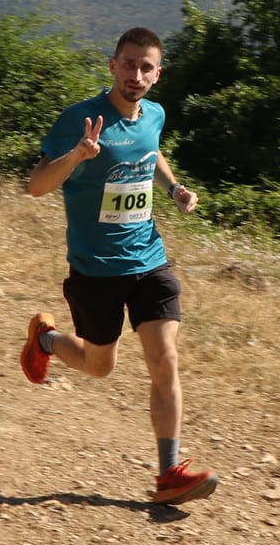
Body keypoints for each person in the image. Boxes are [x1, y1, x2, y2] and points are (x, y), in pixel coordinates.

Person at [20, 27, 216, 505]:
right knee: (98, 365)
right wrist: (78, 155)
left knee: (164, 357)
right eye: (128, 64)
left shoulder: (155, 114)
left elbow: (152, 152)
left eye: (146, 66)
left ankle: (169, 472)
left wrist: (173, 189)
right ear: (112, 65)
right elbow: (37, 186)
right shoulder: (80, 119)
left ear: (157, 74)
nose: (136, 74)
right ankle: (44, 339)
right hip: (95, 269)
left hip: (148, 257)